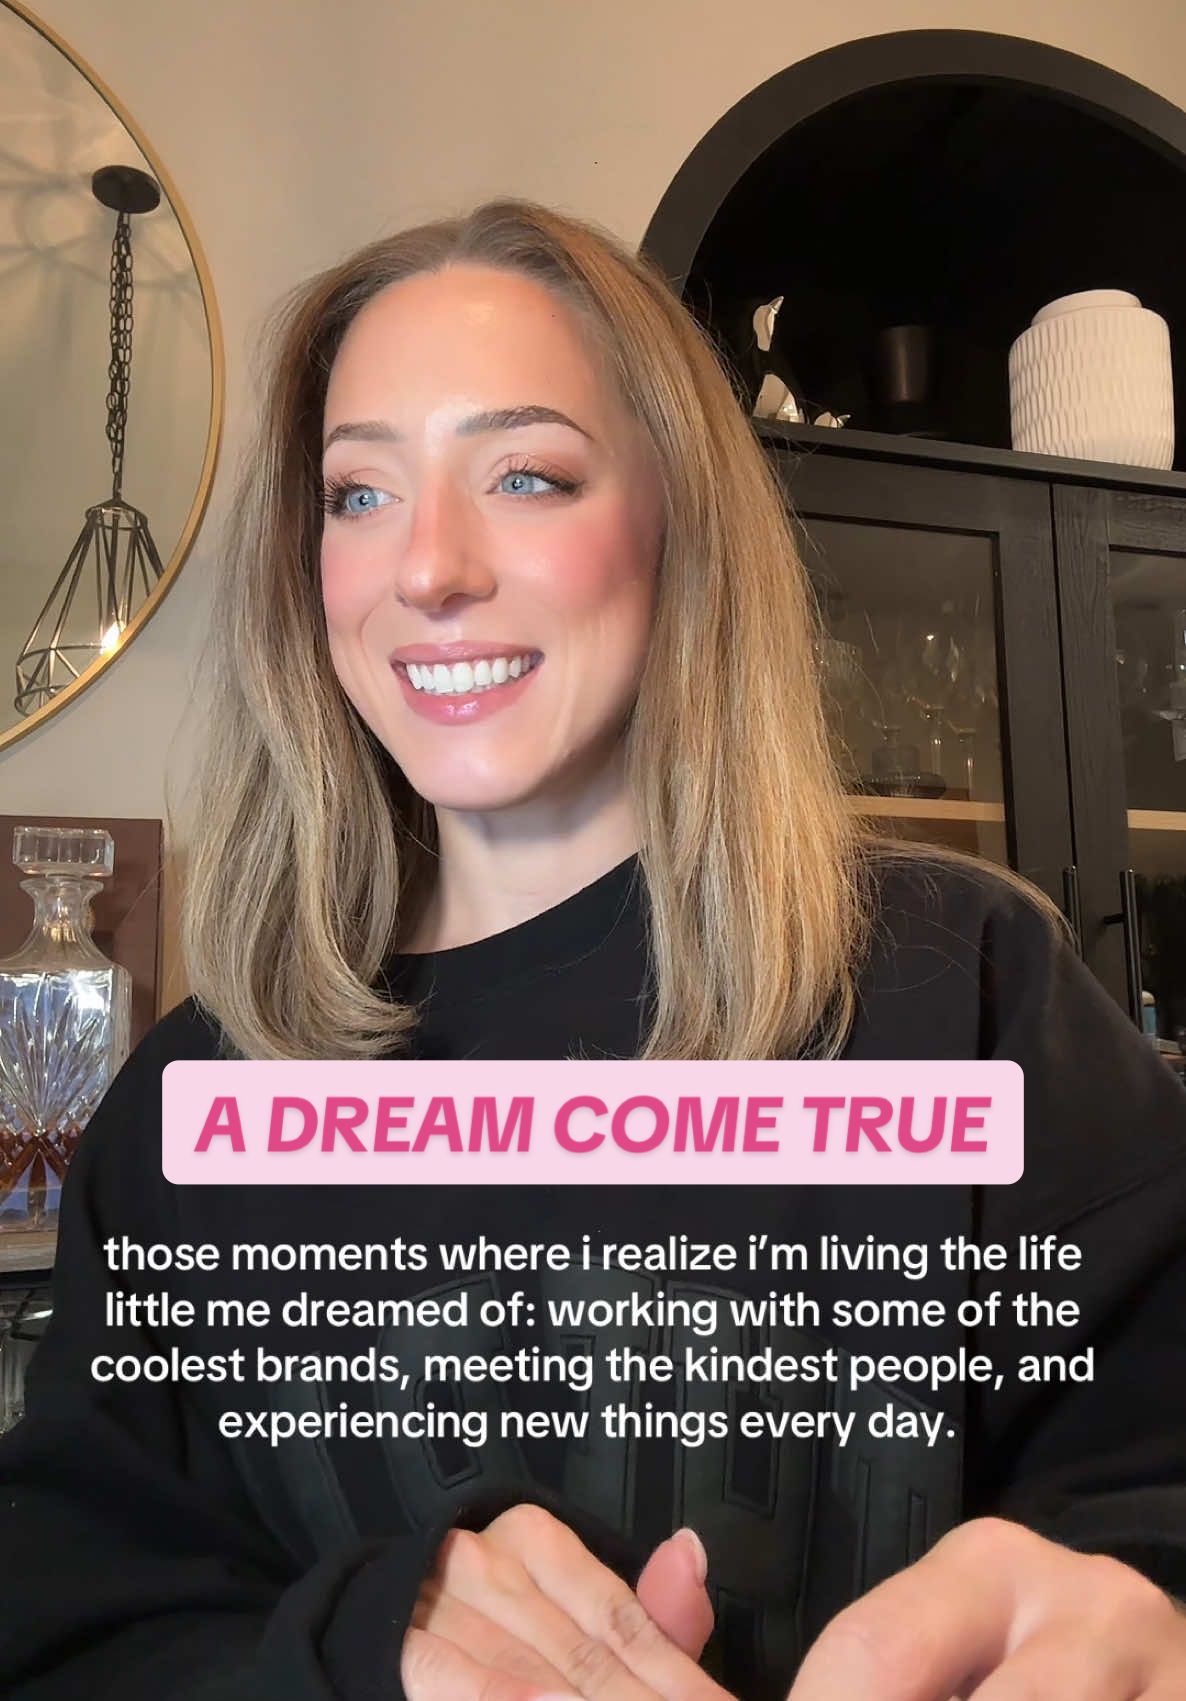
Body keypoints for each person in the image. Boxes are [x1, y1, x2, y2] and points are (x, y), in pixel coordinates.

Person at [2, 197, 1185, 1701]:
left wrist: (1139, 1603)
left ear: (678, 522)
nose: (427, 568)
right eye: (357, 494)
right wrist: (352, 1653)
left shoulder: (964, 987)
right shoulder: (190, 1109)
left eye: (526, 475)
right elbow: (67, 1612)